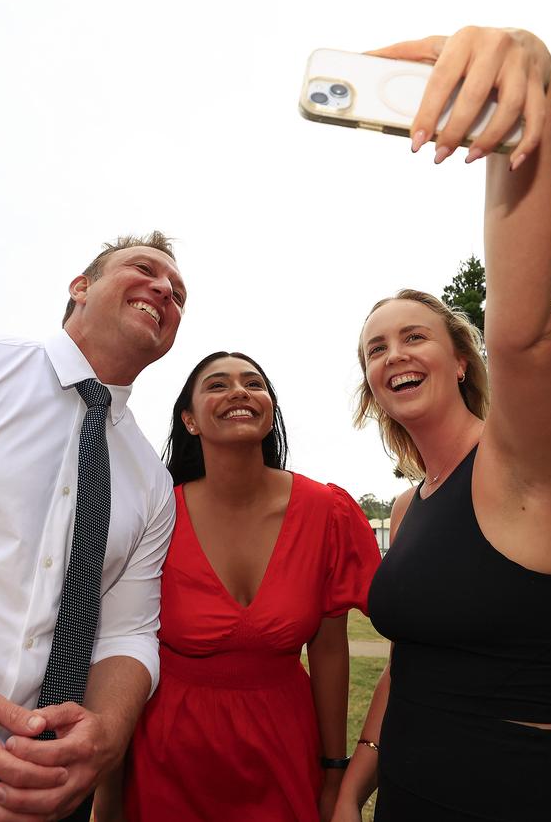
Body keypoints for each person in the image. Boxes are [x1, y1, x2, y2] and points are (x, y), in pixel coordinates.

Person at [331, 28, 551, 821]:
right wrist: (354, 782)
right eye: (375, 348)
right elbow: (409, 660)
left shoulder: (520, 466)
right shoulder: (407, 508)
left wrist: (523, 108)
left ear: (461, 359)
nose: (392, 354)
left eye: (413, 336)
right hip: (406, 793)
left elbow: (524, 332)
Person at [0, 232, 187, 822]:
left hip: (50, 792)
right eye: (143, 269)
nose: (165, 290)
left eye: (179, 294)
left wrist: (107, 735)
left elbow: (129, 632)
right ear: (81, 287)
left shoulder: (151, 480)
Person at [99, 351, 381, 822]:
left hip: (286, 750)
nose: (238, 391)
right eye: (217, 384)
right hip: (169, 758)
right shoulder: (155, 514)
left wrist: (334, 772)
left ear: (269, 413)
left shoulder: (326, 512)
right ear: (189, 420)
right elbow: (118, 644)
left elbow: (330, 648)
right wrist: (109, 797)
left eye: (253, 383)